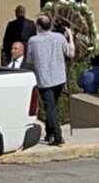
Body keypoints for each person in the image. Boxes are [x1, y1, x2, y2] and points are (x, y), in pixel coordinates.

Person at [27, 15, 75, 146]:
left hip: (44, 79)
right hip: (59, 78)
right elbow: (71, 53)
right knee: (51, 107)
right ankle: (49, 133)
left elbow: (29, 60)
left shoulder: (33, 41)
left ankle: (57, 135)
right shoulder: (59, 37)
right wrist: (70, 37)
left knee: (49, 107)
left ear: (39, 26)